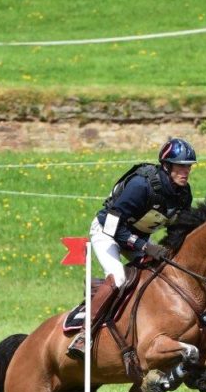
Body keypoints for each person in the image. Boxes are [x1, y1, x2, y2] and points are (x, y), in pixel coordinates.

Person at [66, 138, 197, 359]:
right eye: (180, 165)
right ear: (166, 165)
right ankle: (84, 333)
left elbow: (180, 228)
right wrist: (144, 246)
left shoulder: (183, 193)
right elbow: (112, 226)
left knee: (159, 275)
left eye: (188, 166)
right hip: (106, 233)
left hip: (137, 237)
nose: (186, 171)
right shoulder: (141, 185)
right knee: (117, 277)